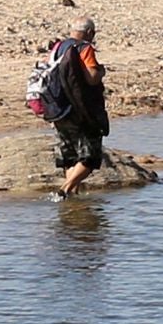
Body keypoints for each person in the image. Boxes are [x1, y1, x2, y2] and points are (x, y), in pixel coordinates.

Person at [50, 16, 108, 199]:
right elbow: (91, 77)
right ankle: (65, 189)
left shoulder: (58, 47)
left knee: (70, 156)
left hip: (59, 108)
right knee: (90, 157)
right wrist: (101, 71)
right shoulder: (84, 48)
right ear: (90, 33)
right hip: (80, 109)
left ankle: (71, 196)